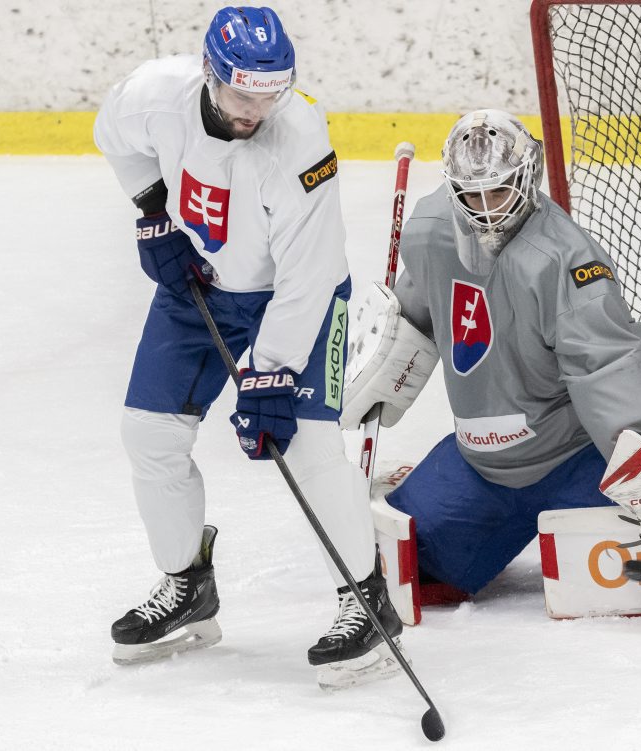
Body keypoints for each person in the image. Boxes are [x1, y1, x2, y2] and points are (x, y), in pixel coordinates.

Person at [93, 6, 404, 690]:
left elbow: (312, 271)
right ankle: (187, 586)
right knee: (148, 434)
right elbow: (112, 132)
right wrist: (151, 210)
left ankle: (366, 599)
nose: (256, 109)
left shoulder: (300, 137)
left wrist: (271, 373)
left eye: (271, 93)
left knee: (310, 447)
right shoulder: (156, 93)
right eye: (242, 94)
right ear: (209, 74)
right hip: (198, 291)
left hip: (298, 301)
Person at [340, 109, 641, 598]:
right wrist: (381, 358)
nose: (486, 208)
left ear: (527, 174)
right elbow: (422, 300)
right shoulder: (431, 230)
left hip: (580, 456)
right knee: (404, 567)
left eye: (498, 190)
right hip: (485, 464)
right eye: (472, 194)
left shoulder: (565, 257)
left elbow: (607, 362)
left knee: (640, 578)